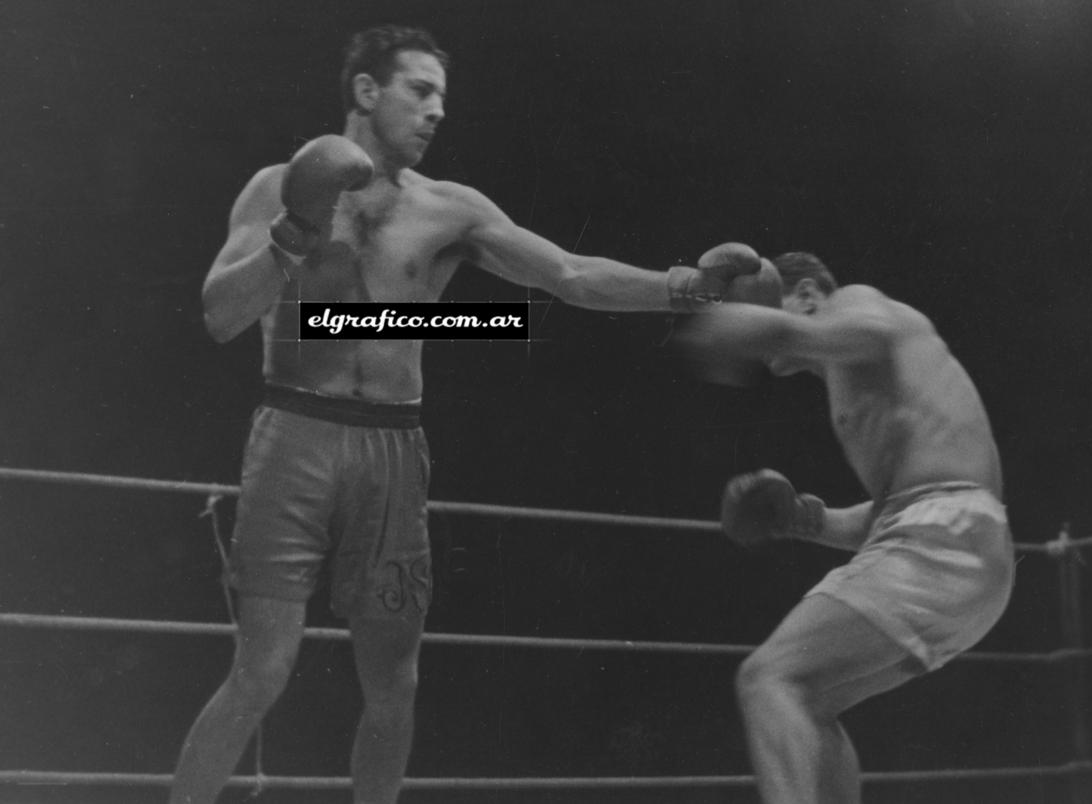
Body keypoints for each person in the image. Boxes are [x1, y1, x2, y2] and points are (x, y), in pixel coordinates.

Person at [172, 24, 780, 804]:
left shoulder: (451, 210)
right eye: (419, 92)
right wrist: (292, 235)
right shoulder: (275, 186)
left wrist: (686, 285)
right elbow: (221, 316)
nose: (436, 113)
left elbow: (571, 274)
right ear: (367, 91)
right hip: (292, 434)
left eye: (443, 100)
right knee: (259, 672)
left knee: (395, 683)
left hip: (394, 448)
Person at [678, 251, 1014, 803]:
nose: (765, 353)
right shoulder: (858, 382)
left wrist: (743, 323)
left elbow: (871, 329)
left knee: (768, 679)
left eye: (775, 304)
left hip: (944, 536)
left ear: (809, 294)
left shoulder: (855, 301)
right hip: (958, 548)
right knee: (808, 702)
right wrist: (801, 520)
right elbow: (894, 511)